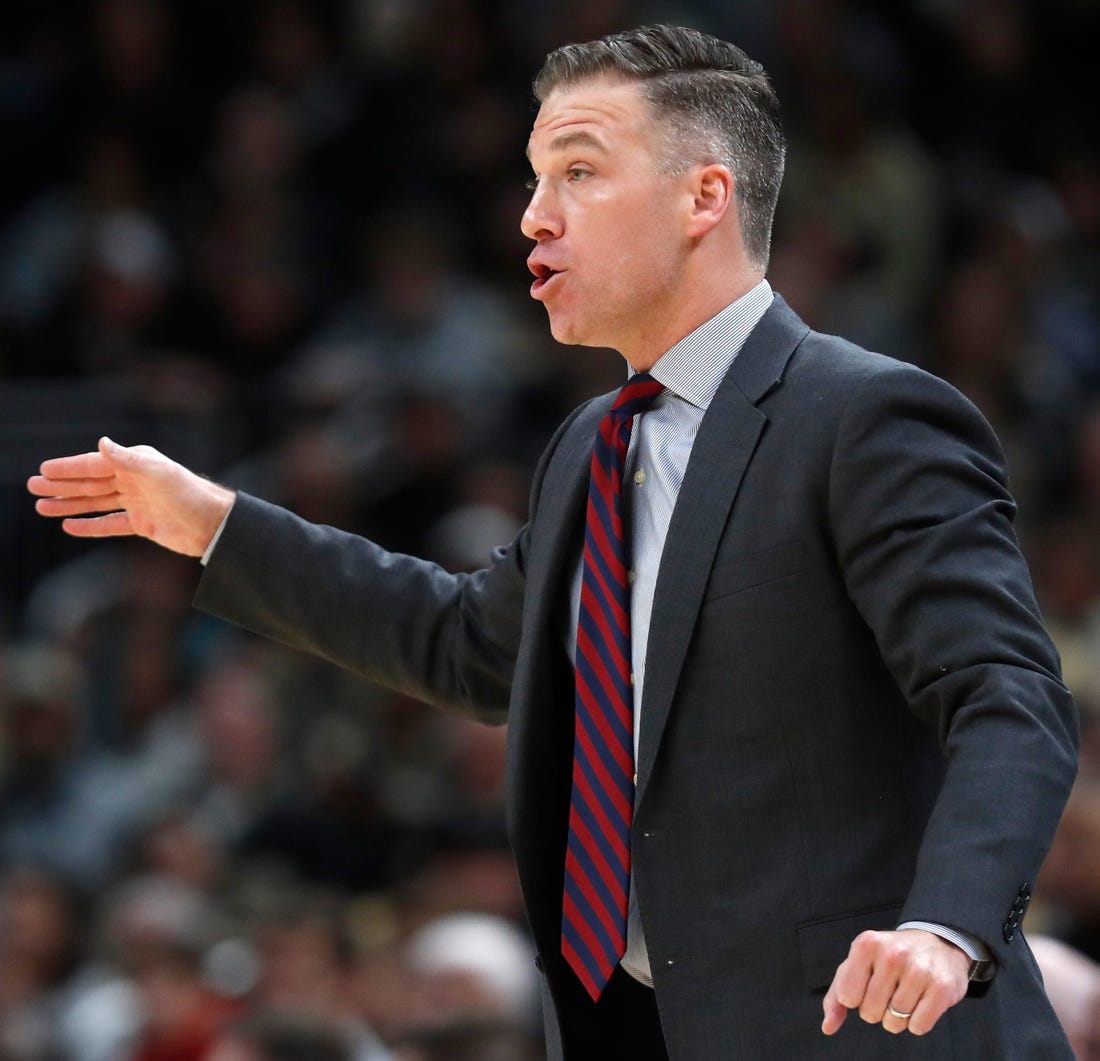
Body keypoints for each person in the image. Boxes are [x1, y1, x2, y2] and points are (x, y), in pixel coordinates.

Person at [27, 24, 1078, 1060]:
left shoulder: (865, 416)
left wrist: (947, 923)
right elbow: (468, 646)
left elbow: (1005, 694)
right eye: (534, 176)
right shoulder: (592, 443)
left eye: (577, 171)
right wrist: (215, 524)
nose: (533, 214)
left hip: (865, 1029)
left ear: (701, 197)